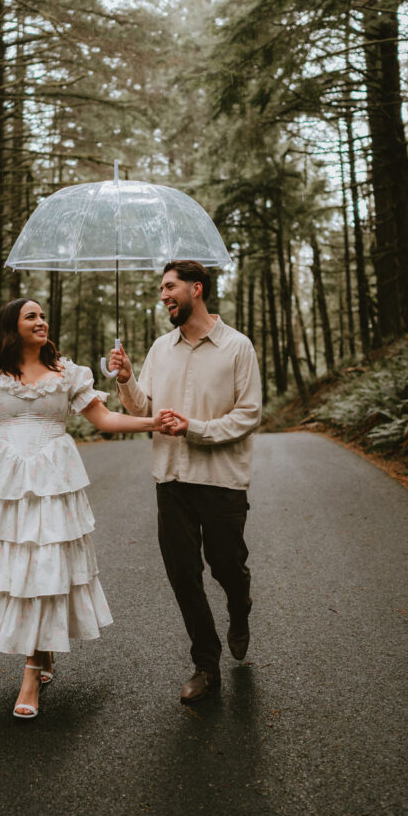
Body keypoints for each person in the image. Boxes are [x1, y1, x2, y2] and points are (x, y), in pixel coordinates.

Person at [0, 298, 164, 720]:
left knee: (45, 566)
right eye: (32, 317)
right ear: (13, 327)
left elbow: (104, 420)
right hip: (3, 480)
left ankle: (30, 673)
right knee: (20, 570)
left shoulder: (67, 373)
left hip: (54, 481)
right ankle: (41, 653)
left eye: (43, 316)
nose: (42, 321)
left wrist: (152, 423)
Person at [109, 260, 262, 704]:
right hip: (171, 479)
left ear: (197, 289)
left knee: (226, 566)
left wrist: (194, 428)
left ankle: (239, 604)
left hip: (221, 481)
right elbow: (144, 409)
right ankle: (206, 664)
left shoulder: (237, 347)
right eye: (161, 289)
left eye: (170, 287)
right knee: (183, 574)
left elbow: (249, 414)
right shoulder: (161, 348)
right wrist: (127, 378)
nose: (163, 296)